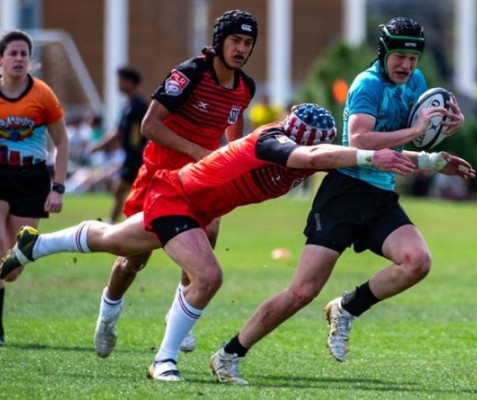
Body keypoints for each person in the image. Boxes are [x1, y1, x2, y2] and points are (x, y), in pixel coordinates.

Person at [0, 103, 416, 381]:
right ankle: (164, 360)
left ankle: (35, 245)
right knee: (208, 276)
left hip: (190, 205)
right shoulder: (273, 142)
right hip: (176, 198)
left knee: (113, 240)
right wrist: (363, 155)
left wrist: (430, 160)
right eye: (311, 143)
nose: (315, 152)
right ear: (294, 135)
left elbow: (322, 158)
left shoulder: (306, 154)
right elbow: (308, 159)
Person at [209, 17, 473, 385]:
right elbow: (360, 140)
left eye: (413, 59)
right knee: (302, 291)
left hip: (381, 193)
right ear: (384, 53)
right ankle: (229, 354)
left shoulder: (416, 83)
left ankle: (347, 308)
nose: (406, 66)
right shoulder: (367, 84)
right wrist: (416, 132)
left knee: (417, 261)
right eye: (399, 56)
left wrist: (439, 142)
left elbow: (412, 139)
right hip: (345, 192)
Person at [93, 9, 258, 359]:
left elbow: (234, 132)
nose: (241, 48)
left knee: (209, 234)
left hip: (201, 178)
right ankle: (109, 313)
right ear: (219, 42)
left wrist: (232, 159)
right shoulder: (189, 74)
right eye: (235, 40)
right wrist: (198, 151)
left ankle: (177, 311)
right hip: (158, 176)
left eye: (248, 42)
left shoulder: (245, 86)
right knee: (133, 259)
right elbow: (149, 126)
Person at [0, 29, 70, 346]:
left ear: (31, 60)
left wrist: (58, 188)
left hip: (31, 180)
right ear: (1, 59)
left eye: (23, 54)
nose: (18, 59)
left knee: (11, 267)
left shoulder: (42, 95)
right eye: (12, 53)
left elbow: (63, 141)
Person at [91, 66, 148, 223]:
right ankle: (119, 223)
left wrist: (139, 152)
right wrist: (101, 146)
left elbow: (142, 131)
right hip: (131, 155)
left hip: (137, 156)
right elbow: (119, 131)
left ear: (130, 82)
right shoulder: (128, 105)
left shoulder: (138, 105)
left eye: (121, 80)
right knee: (125, 190)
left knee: (124, 189)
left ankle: (116, 224)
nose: (118, 84)